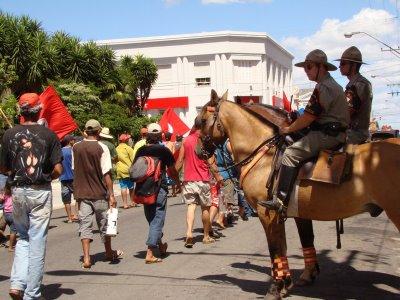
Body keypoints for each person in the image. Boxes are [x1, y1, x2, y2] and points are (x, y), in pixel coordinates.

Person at [260, 49, 349, 215]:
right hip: (333, 132)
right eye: (305, 68)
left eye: (309, 67)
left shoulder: (324, 87)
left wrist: (287, 129)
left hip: (328, 135)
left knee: (290, 153)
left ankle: (280, 200)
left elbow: (308, 118)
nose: (306, 71)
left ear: (321, 67)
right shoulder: (332, 85)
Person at [0, 92, 63, 300]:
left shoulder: (9, 135)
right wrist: (46, 176)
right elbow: (58, 170)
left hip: (18, 191)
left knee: (23, 237)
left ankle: (17, 284)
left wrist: (15, 174)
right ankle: (32, 293)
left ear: (21, 111)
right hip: (40, 191)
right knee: (37, 241)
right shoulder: (49, 135)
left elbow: (3, 167)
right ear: (39, 111)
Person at [72, 119, 123, 269]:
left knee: (85, 225)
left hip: (82, 193)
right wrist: (111, 194)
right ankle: (108, 252)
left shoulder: (76, 147)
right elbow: (106, 173)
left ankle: (87, 258)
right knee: (105, 224)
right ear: (99, 132)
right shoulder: (102, 148)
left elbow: (75, 169)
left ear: (86, 131)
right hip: (99, 193)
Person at [134, 123, 180, 263]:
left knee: (152, 218)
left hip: (143, 189)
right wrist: (178, 182)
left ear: (147, 136)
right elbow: (172, 170)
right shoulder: (163, 150)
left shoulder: (140, 150)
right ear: (161, 135)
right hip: (159, 188)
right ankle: (150, 252)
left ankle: (160, 246)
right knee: (157, 218)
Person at [175, 117, 223, 248]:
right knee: (205, 208)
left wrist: (174, 177)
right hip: (203, 180)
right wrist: (218, 176)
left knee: (191, 206)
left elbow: (179, 161)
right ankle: (206, 236)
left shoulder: (186, 140)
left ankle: (189, 233)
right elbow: (211, 163)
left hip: (188, 180)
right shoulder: (206, 141)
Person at [335, 46, 373, 144]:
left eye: (343, 63)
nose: (340, 66)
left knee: (322, 140)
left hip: (355, 134)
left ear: (354, 65)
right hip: (349, 132)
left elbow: (345, 112)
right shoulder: (353, 85)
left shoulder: (360, 84)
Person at [60, 134, 78, 223]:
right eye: (73, 140)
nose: (74, 141)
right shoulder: (73, 151)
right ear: (70, 141)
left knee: (66, 200)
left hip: (63, 178)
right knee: (77, 197)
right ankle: (76, 214)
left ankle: (69, 218)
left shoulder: (60, 151)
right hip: (74, 177)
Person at [116, 134, 136, 209]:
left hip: (120, 169)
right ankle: (132, 202)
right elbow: (133, 159)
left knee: (123, 187)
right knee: (131, 187)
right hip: (129, 169)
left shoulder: (116, 148)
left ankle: (125, 204)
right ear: (125, 140)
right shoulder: (128, 148)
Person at [0, 182, 16, 251]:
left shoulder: (4, 192)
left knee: (0, 227)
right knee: (13, 231)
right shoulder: (15, 192)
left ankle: (3, 239)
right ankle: (10, 247)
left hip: (5, 213)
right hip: (13, 213)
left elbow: (1, 200)